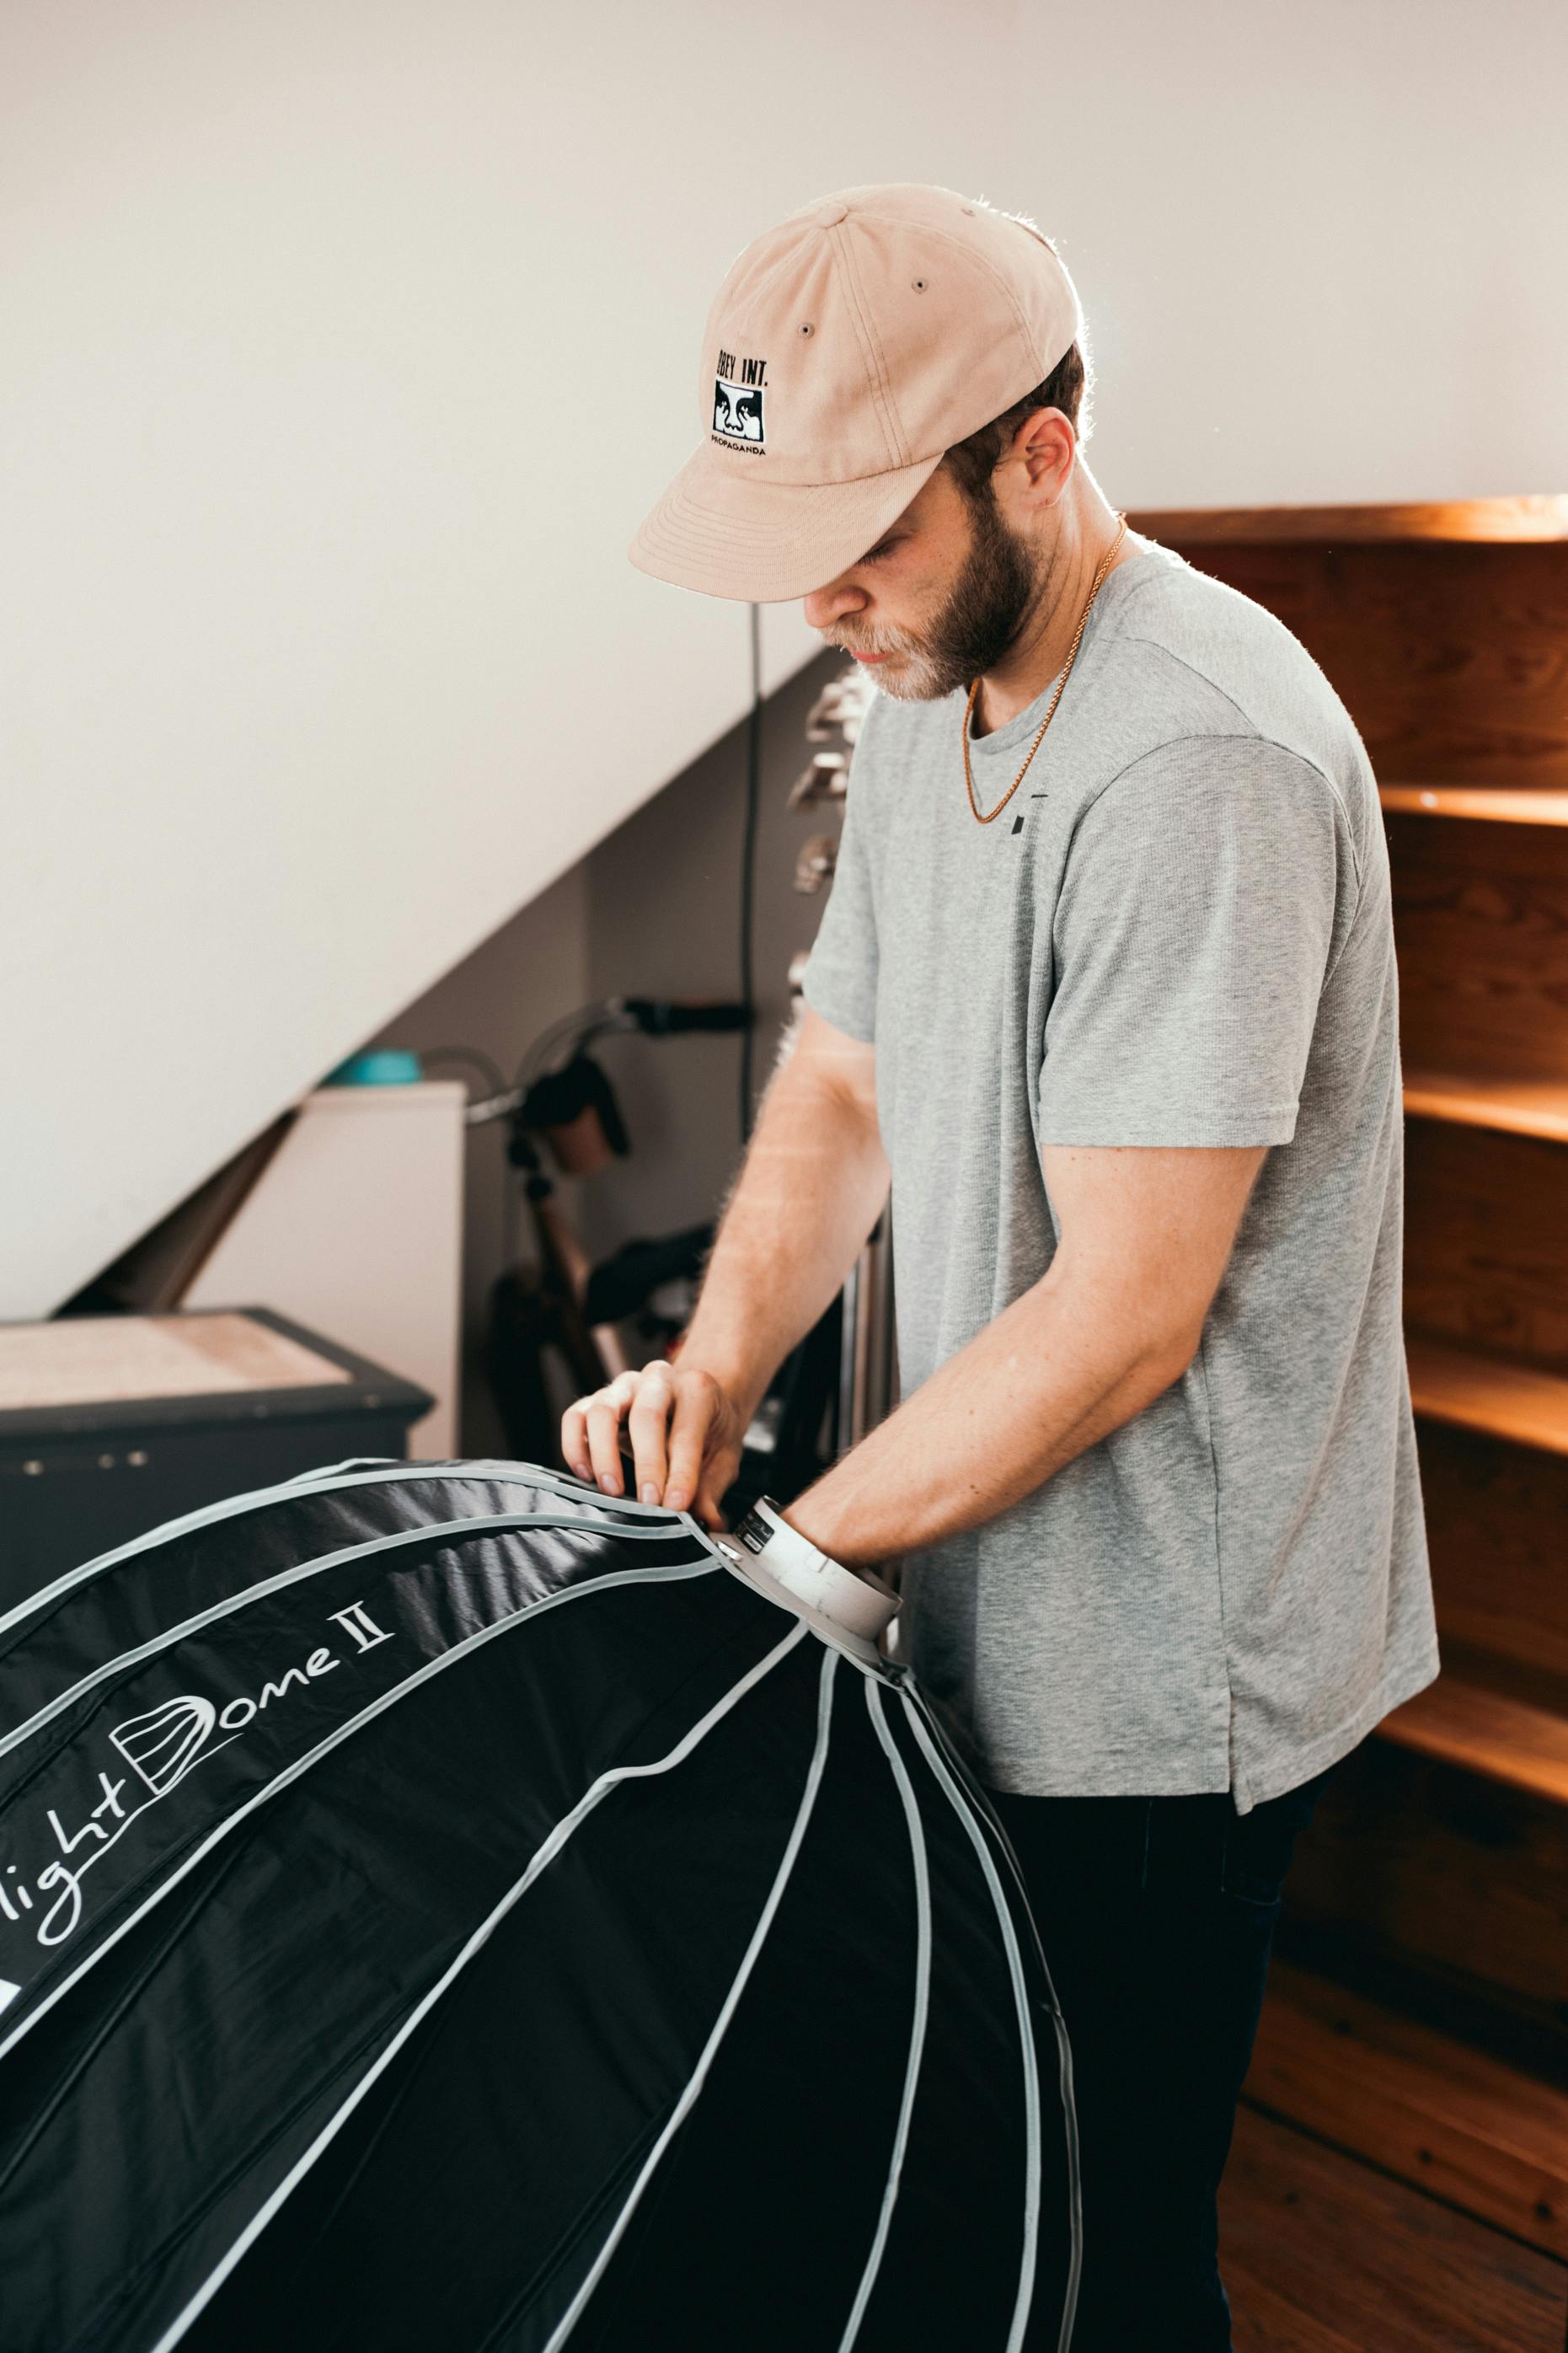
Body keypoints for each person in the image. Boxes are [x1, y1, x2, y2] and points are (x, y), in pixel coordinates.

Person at [564, 182, 1441, 2350]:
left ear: (1037, 448)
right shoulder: (930, 677)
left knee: (1093, 2258)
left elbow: (1131, 1305)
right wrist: (718, 1367)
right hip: (968, 1603)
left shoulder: (1191, 754)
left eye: (865, 537)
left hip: (1155, 1679)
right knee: (946, 2219)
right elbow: (845, 1078)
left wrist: (775, 1556)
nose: (824, 603)